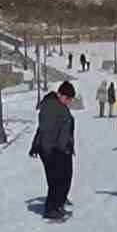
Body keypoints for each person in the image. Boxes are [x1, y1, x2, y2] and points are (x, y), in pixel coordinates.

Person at [30, 81, 77, 221]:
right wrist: (51, 150)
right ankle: (51, 209)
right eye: (67, 98)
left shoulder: (59, 105)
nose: (68, 102)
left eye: (70, 99)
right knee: (56, 180)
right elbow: (46, 129)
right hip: (53, 149)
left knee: (64, 177)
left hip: (60, 148)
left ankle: (58, 205)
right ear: (59, 94)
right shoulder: (51, 106)